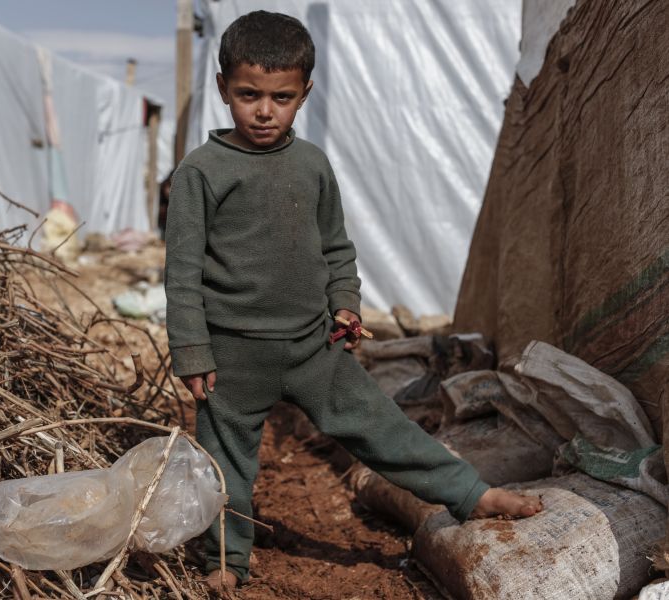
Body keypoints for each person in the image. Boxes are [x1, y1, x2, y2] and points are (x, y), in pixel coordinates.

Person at [164, 10, 543, 591]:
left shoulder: (312, 164)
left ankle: (471, 493)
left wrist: (345, 302)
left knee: (382, 428)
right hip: (233, 354)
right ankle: (225, 562)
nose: (264, 111)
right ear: (222, 88)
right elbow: (182, 271)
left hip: (314, 347)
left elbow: (336, 247)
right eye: (248, 94)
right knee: (226, 465)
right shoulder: (201, 172)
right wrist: (192, 349)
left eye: (281, 97)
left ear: (305, 93)